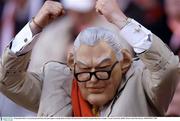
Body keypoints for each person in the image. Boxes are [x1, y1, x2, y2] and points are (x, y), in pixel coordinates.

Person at [0, 0, 179, 117]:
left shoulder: (141, 83)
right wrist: (35, 26)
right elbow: (7, 79)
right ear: (72, 64)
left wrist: (120, 20)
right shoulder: (55, 82)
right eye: (84, 71)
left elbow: (167, 67)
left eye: (103, 70)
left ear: (124, 61)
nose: (93, 80)